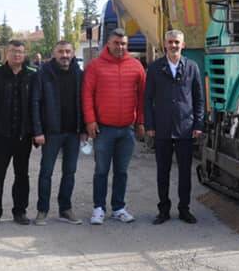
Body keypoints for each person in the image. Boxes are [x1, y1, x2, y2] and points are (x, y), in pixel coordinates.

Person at [82, 28, 146, 225]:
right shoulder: (95, 67)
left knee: (122, 171)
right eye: (117, 43)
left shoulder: (136, 67)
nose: (120, 47)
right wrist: (90, 121)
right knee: (101, 170)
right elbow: (86, 95)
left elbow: (142, 98)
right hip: (104, 129)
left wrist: (140, 122)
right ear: (108, 43)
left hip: (127, 129)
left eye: (124, 43)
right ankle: (98, 208)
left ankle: (118, 207)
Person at [144, 30, 204, 224]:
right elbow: (148, 99)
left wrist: (198, 123)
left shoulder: (192, 67)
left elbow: (199, 99)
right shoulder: (154, 68)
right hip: (161, 128)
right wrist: (150, 125)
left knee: (185, 172)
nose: (173, 45)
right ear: (165, 44)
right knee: (163, 172)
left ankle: (184, 209)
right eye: (170, 42)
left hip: (185, 128)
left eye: (177, 42)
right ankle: (163, 210)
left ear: (183, 45)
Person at [32, 40, 85, 226]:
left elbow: (83, 102)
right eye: (61, 51)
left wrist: (84, 129)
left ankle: (65, 209)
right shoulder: (44, 73)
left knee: (69, 172)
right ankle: (42, 210)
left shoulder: (79, 73)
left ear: (72, 53)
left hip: (73, 132)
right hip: (51, 132)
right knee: (46, 172)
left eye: (68, 51)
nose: (65, 55)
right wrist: (38, 131)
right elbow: (35, 102)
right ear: (54, 53)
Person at [0, 40, 35, 226]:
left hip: (23, 135)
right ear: (7, 53)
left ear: (24, 54)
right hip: (1, 135)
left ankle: (20, 211)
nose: (17, 55)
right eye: (14, 51)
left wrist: (36, 131)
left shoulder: (31, 76)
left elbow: (35, 105)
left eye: (21, 52)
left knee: (22, 175)